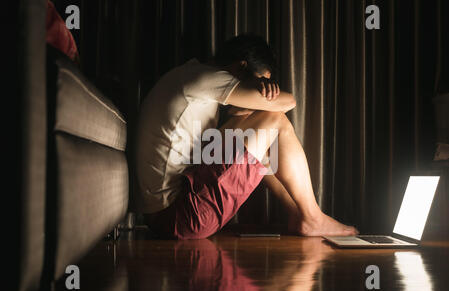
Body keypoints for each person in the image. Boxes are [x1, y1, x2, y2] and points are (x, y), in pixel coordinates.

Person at [135, 34, 358, 239]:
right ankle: (313, 216)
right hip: (182, 217)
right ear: (241, 66)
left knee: (256, 137)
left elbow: (232, 131)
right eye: (262, 81)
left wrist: (250, 100)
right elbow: (290, 101)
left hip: (163, 217)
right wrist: (265, 95)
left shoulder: (191, 76)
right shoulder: (207, 78)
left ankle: (298, 214)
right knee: (275, 118)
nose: (264, 88)